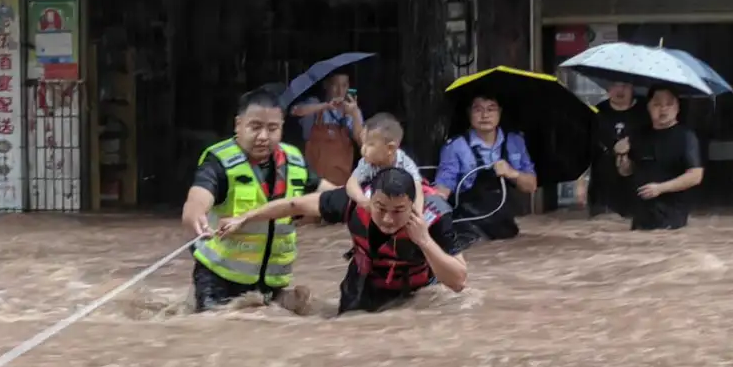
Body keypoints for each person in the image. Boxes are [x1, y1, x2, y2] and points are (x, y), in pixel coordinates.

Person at [216, 168, 467, 315]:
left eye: (398, 210)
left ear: (413, 205)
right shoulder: (356, 202)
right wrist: (245, 218)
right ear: (371, 200)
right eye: (381, 209)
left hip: (417, 291)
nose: (388, 219)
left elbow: (458, 280)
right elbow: (296, 204)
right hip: (364, 284)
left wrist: (424, 241)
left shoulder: (436, 214)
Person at [181, 87, 334, 313]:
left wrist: (364, 200)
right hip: (218, 279)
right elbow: (199, 196)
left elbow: (330, 195)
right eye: (255, 127)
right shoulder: (219, 161)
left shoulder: (294, 161)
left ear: (282, 128)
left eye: (272, 128)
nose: (263, 137)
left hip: (271, 282)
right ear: (238, 125)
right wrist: (195, 215)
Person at [434, 94, 537, 243]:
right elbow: (442, 190)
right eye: (478, 110)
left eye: (491, 109)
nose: (485, 115)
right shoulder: (455, 147)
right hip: (468, 226)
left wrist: (511, 173)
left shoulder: (515, 141)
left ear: (499, 112)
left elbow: (531, 186)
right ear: (469, 113)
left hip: (505, 226)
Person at [614, 86, 704, 230]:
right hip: (641, 214)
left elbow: (696, 175)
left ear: (677, 107)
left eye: (669, 104)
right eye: (657, 104)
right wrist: (621, 154)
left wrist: (661, 188)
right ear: (649, 107)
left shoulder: (686, 137)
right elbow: (626, 171)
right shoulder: (639, 135)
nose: (663, 109)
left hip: (672, 216)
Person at [577, 82, 649, 218]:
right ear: (607, 87)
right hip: (602, 188)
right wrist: (580, 183)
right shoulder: (596, 113)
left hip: (637, 189)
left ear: (632, 87)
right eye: (615, 85)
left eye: (625, 85)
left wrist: (631, 146)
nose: (620, 90)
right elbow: (583, 150)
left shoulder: (645, 113)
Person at [289, 72, 364, 185]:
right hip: (316, 181)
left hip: (341, 180)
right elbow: (295, 111)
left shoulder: (351, 110)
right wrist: (325, 106)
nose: (340, 91)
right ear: (326, 85)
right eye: (335, 85)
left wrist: (355, 114)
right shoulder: (314, 104)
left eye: (344, 85)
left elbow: (362, 142)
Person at [346, 112, 424, 214]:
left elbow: (418, 188)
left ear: (390, 148)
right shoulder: (368, 163)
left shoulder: (405, 163)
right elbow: (352, 183)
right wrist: (363, 201)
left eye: (370, 144)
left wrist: (417, 213)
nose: (363, 149)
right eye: (363, 143)